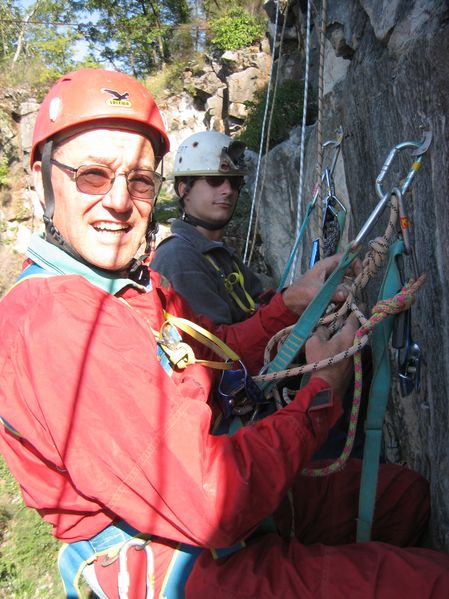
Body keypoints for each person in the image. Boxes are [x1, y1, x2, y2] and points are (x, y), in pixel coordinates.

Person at [0, 67, 448, 599]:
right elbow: (209, 499)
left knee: (403, 498)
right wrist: (322, 394)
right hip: (177, 552)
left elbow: (215, 352)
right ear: (43, 180)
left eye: (140, 180)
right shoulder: (57, 320)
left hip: (218, 486)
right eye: (92, 176)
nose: (120, 201)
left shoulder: (136, 288)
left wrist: (291, 304)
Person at [151, 131, 271, 324]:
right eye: (214, 180)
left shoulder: (217, 253)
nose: (228, 190)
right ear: (184, 189)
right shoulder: (179, 259)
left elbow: (259, 300)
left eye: (235, 182)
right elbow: (218, 348)